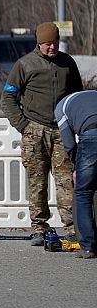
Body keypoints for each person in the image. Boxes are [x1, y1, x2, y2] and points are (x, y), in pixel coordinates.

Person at [1, 22, 83, 246]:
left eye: (55, 43)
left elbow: (77, 96)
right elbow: (8, 98)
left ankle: (72, 227)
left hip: (62, 130)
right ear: (39, 43)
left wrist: (74, 122)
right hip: (34, 130)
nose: (51, 48)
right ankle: (39, 227)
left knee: (66, 180)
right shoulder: (25, 64)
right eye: (47, 44)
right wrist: (23, 126)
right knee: (37, 182)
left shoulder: (67, 63)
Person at [55, 91, 97, 259]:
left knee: (83, 192)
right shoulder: (92, 94)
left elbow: (70, 143)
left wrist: (76, 167)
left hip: (91, 134)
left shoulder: (60, 108)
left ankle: (87, 247)